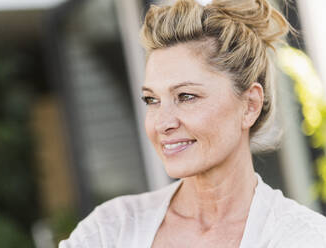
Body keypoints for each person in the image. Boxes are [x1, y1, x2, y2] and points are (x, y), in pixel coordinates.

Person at [59, 0, 326, 247]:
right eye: (151, 100)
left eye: (186, 96)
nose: (162, 123)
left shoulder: (303, 238)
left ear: (250, 105)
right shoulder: (110, 230)